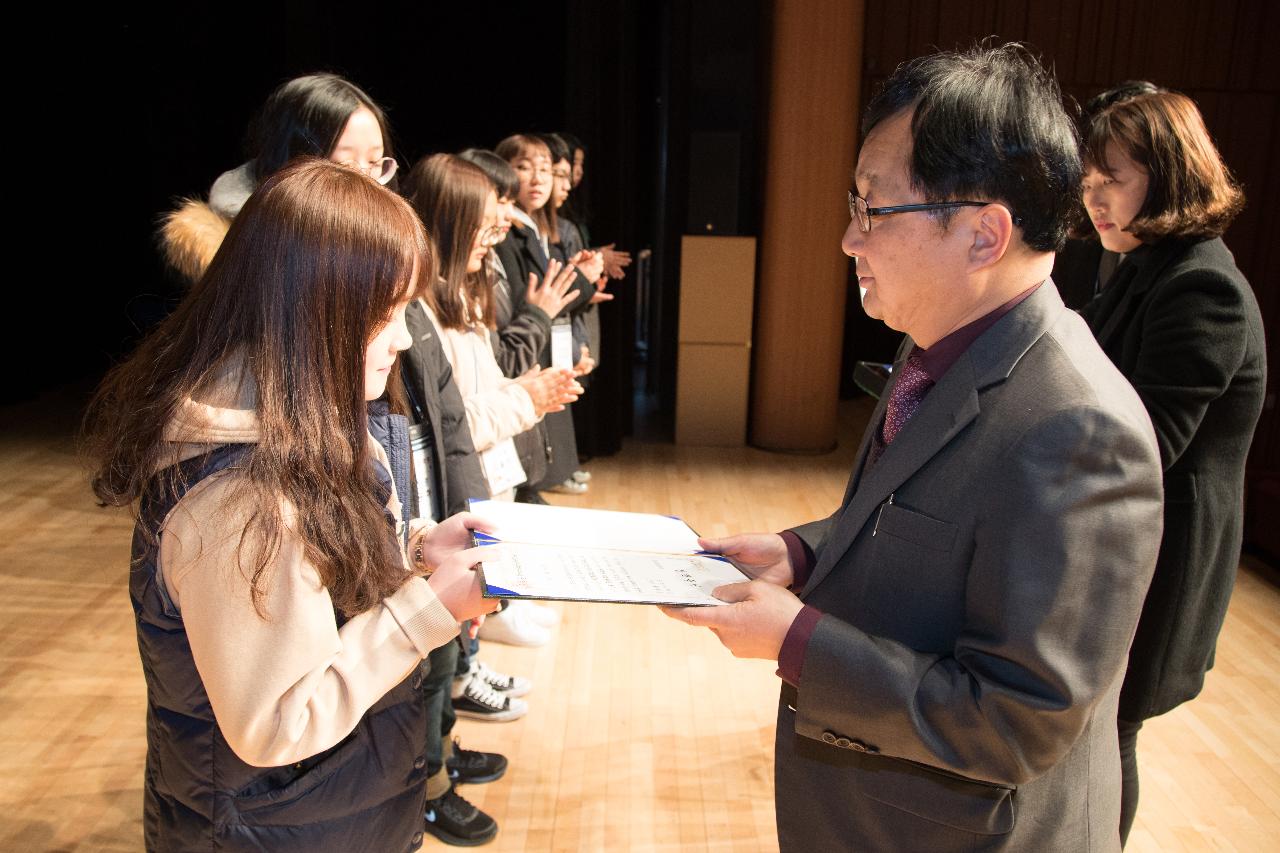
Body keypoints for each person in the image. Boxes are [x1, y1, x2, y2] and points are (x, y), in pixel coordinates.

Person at [662, 44, 1165, 852]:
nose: (848, 240)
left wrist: (795, 639)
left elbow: (1018, 722)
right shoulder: (939, 342)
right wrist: (800, 551)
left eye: (874, 209)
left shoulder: (1078, 428)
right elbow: (920, 524)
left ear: (983, 235)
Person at [83, 159, 498, 851]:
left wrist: (419, 548)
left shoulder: (306, 417)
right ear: (313, 310)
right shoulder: (241, 498)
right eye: (387, 313)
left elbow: (322, 571)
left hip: (331, 809)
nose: (402, 339)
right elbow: (279, 718)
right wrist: (430, 609)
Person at [1077, 87, 1267, 845]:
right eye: (1086, 182)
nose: (1093, 198)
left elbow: (1145, 446)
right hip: (1128, 544)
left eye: (1111, 179)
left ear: (1170, 173)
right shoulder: (1138, 265)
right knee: (1094, 725)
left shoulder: (1202, 286)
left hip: (1164, 558)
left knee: (1113, 729)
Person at [160, 72, 397, 284]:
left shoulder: (381, 248)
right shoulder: (242, 272)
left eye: (375, 162)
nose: (367, 183)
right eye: (345, 166)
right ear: (291, 161)